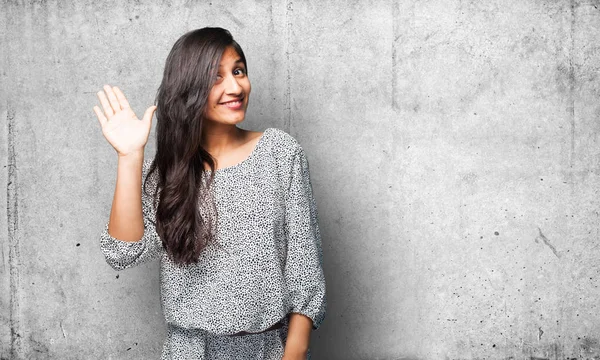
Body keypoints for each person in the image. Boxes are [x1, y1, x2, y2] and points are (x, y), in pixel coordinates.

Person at [93, 27, 326, 359]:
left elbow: (305, 271)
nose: (235, 87)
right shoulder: (168, 174)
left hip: (268, 348)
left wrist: (294, 354)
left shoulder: (280, 153)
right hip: (190, 350)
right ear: (189, 88)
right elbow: (124, 253)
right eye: (216, 77)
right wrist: (130, 157)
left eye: (238, 71)